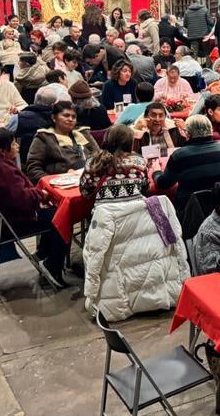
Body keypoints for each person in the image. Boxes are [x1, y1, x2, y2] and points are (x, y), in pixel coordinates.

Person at [79, 124, 190, 321]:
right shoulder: (138, 161)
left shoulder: (93, 163)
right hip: (139, 222)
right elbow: (145, 188)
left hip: (108, 222)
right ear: (130, 142)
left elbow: (85, 192)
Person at [0, 128, 71, 286]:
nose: (17, 146)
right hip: (10, 223)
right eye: (12, 144)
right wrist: (41, 195)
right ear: (2, 151)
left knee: (53, 212)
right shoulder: (1, 169)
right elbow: (21, 199)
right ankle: (52, 266)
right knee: (61, 218)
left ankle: (42, 252)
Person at [154, 115, 220, 213]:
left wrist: (156, 171)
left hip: (192, 213)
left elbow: (163, 184)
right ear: (211, 130)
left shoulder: (179, 156)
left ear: (188, 133)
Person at [25, 101, 100, 182]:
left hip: (90, 180)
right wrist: (59, 179)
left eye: (74, 117)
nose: (70, 119)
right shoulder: (44, 137)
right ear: (54, 118)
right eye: (66, 115)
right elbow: (33, 169)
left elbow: (100, 158)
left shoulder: (83, 134)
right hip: (61, 184)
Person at [12, 83, 65, 161]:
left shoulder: (19, 118)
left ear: (35, 99)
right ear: (53, 104)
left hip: (26, 160)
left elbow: (5, 135)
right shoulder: (60, 119)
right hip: (56, 160)